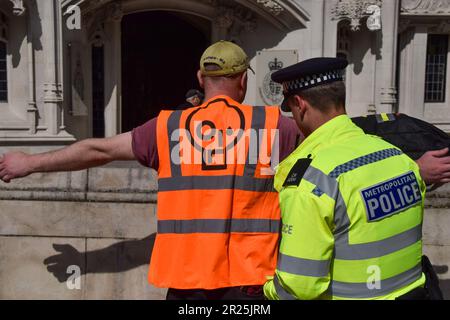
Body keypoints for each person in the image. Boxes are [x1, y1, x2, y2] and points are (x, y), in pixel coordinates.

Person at [0, 42, 448, 300]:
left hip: (189, 284)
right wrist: (412, 166)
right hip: (254, 284)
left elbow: (97, 149)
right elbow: (344, 140)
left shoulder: (167, 127)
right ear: (243, 80)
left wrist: (30, 163)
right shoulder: (276, 125)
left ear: (201, 77)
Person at [264, 57, 432, 300]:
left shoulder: (311, 180)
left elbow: (299, 287)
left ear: (300, 104)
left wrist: (265, 288)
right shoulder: (398, 158)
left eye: (291, 109)